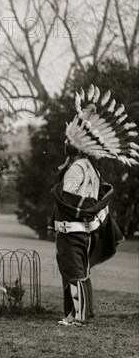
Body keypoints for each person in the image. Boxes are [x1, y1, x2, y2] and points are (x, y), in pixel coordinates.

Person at [50, 85, 136, 326]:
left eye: (68, 141)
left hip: (71, 231)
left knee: (74, 273)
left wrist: (56, 192)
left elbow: (68, 197)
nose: (65, 144)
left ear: (74, 146)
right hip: (85, 231)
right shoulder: (91, 167)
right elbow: (90, 200)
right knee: (80, 272)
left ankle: (78, 317)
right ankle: (79, 313)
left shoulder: (76, 167)